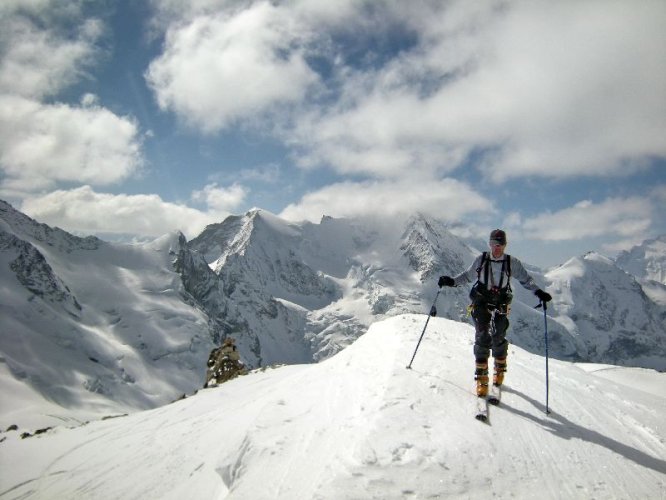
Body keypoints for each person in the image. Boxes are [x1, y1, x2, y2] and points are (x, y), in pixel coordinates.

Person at [438, 229, 552, 397]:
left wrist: (538, 292)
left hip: (501, 303)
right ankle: (482, 379)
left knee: (499, 336)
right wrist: (452, 281)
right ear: (489, 244)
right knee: (482, 336)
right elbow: (468, 276)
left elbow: (526, 280)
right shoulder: (481, 260)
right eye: (493, 244)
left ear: (505, 245)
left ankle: (499, 371)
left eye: (500, 245)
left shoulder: (512, 263)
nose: (496, 248)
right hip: (481, 302)